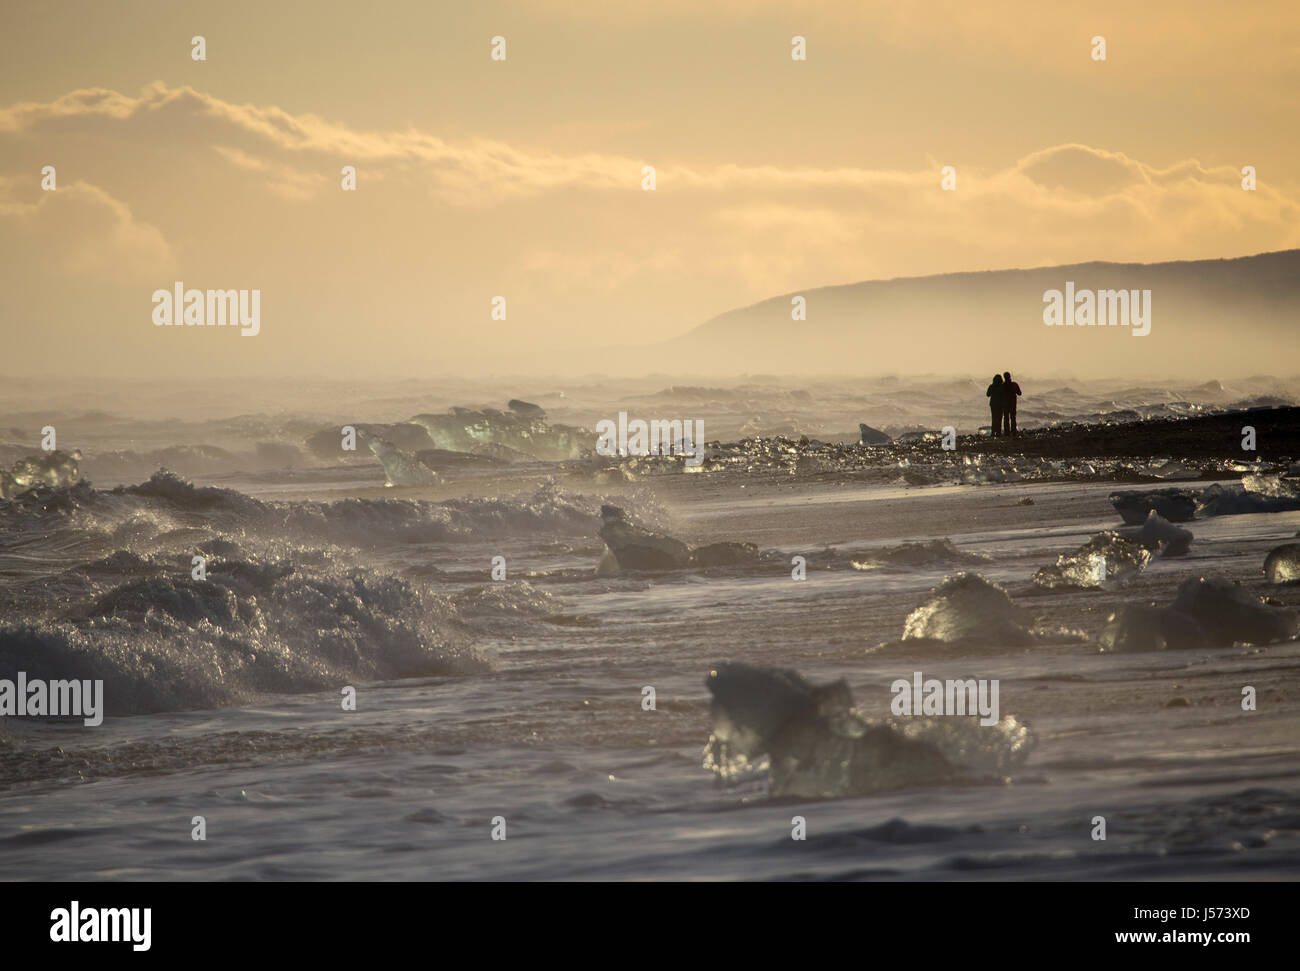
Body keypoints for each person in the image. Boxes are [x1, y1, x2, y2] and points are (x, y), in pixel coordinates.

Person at [1002, 371, 1022, 435]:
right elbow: (1019, 393)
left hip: (1005, 404)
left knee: (1006, 418)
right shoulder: (1014, 384)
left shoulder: (1002, 385)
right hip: (1013, 403)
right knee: (1013, 418)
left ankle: (1006, 432)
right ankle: (1013, 431)